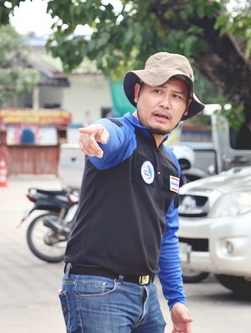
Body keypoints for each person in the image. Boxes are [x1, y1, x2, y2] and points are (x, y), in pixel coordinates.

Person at [59, 52, 202, 333]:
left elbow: (168, 234)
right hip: (99, 289)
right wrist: (98, 133)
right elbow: (110, 134)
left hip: (146, 298)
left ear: (185, 108)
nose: (165, 103)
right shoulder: (124, 136)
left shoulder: (171, 163)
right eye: (158, 91)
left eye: (176, 96)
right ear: (138, 93)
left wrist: (176, 301)